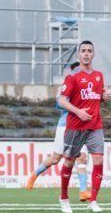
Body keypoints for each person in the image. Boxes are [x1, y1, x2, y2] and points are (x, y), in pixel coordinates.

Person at [57, 41, 111, 213]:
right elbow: (62, 100)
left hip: (95, 125)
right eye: (83, 51)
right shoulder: (72, 76)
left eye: (89, 51)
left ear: (93, 54)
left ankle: (93, 200)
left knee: (98, 161)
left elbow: (96, 97)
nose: (86, 54)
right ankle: (64, 198)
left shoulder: (99, 76)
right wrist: (78, 111)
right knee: (69, 161)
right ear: (78, 54)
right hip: (75, 126)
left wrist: (105, 97)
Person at [26, 62, 80, 190]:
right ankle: (34, 175)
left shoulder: (85, 87)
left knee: (81, 159)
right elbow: (59, 103)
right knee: (56, 159)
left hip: (80, 127)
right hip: (64, 126)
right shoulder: (66, 88)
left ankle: (84, 192)